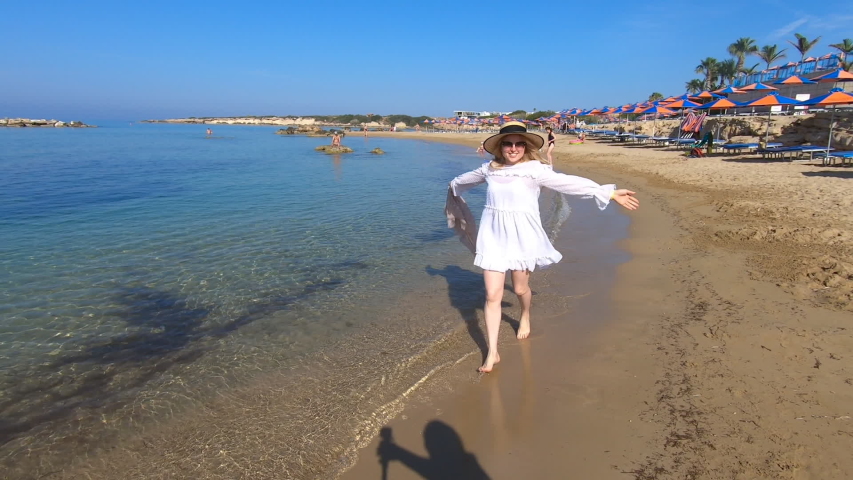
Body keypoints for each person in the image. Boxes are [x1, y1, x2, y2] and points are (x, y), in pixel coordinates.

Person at [447, 121, 639, 373]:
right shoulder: (489, 170)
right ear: (500, 147)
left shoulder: (535, 170)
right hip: (493, 236)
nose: (513, 148)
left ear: (525, 146)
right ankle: (492, 352)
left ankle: (525, 314)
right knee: (492, 295)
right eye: (507, 143)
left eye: (518, 143)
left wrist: (607, 193)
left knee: (519, 288)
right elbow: (458, 182)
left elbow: (568, 183)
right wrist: (453, 200)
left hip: (523, 237)